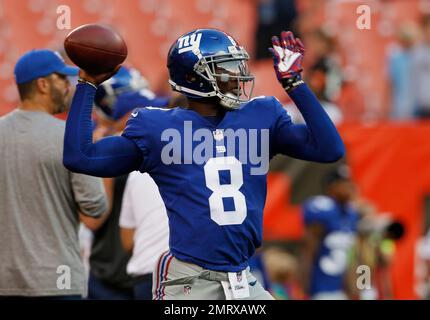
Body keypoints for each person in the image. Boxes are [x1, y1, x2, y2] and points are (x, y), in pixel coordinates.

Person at [63, 28, 344, 300]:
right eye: (225, 68)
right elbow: (81, 157)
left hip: (242, 278)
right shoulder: (157, 128)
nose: (237, 75)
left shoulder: (261, 115)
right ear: (195, 77)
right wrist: (87, 84)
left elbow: (330, 149)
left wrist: (295, 84)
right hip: (189, 281)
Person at [0, 49, 108, 299]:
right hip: (58, 281)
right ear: (43, 84)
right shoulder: (67, 136)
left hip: (5, 281)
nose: (68, 87)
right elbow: (95, 205)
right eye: (62, 79)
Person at [82, 66, 170, 300]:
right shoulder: (97, 143)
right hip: (114, 270)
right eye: (134, 109)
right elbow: (93, 218)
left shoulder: (158, 134)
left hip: (149, 265)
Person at [301, 165, 359, 300]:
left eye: (349, 182)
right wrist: (304, 286)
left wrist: (354, 289)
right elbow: (308, 250)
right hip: (321, 289)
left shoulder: (351, 213)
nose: (349, 186)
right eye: (343, 183)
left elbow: (351, 256)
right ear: (331, 187)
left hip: (341, 289)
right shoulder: (323, 209)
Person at [119, 171, 169, 300]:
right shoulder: (193, 168)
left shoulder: (135, 174)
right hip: (181, 273)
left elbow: (127, 238)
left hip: (145, 272)